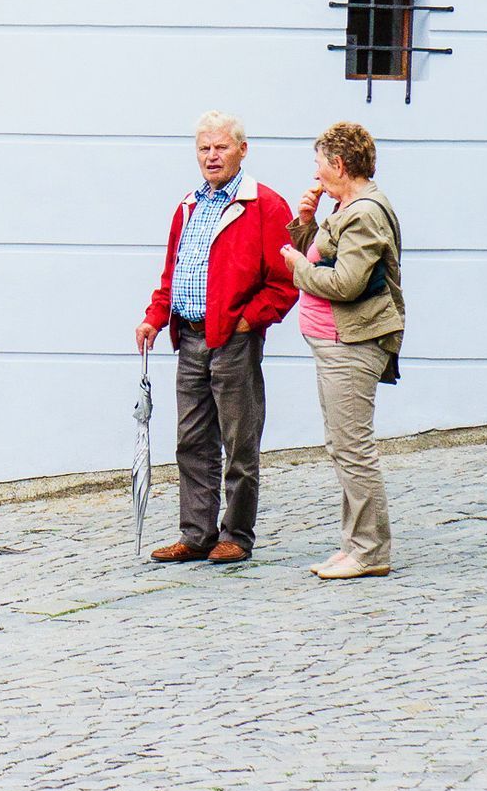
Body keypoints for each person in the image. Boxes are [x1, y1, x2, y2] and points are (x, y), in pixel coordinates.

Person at [137, 111, 297, 564]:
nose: (212, 156)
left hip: (233, 339)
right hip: (188, 337)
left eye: (221, 147)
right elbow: (173, 274)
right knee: (191, 440)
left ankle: (237, 535)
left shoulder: (265, 205)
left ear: (242, 150)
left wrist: (249, 321)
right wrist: (155, 316)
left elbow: (284, 282)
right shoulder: (188, 205)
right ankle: (196, 533)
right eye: (204, 148)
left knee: (239, 441)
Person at [279, 122, 404, 581]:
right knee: (341, 445)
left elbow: (346, 283)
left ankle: (370, 550)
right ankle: (354, 544)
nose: (315, 172)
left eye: (319, 163)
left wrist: (296, 269)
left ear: (339, 164)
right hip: (333, 342)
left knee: (353, 448)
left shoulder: (365, 212)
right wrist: (306, 221)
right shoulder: (342, 206)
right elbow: (318, 255)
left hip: (352, 342)